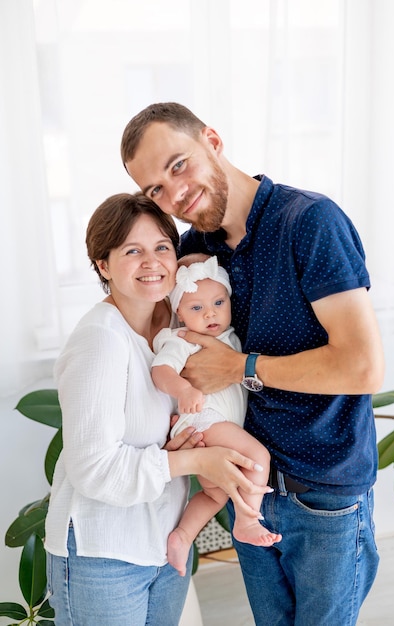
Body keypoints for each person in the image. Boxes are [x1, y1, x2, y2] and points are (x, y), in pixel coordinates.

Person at [120, 102, 385, 626]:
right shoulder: (195, 251)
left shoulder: (310, 222)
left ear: (211, 140)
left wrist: (242, 367)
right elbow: (170, 350)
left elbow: (363, 367)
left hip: (324, 496)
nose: (174, 195)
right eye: (155, 189)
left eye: (178, 165)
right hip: (247, 487)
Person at [44, 191, 268, 626]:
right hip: (103, 554)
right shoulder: (100, 341)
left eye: (162, 247)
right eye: (133, 251)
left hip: (163, 542)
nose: (153, 262)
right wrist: (194, 458)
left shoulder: (176, 323)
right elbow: (93, 469)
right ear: (103, 266)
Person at [152, 253, 280, 577]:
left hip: (219, 425)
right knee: (257, 457)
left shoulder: (230, 337)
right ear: (179, 313)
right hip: (204, 420)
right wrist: (183, 391)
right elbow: (160, 370)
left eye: (219, 302)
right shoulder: (183, 339)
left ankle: (182, 537)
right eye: (197, 308)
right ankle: (248, 518)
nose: (211, 313)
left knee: (214, 493)